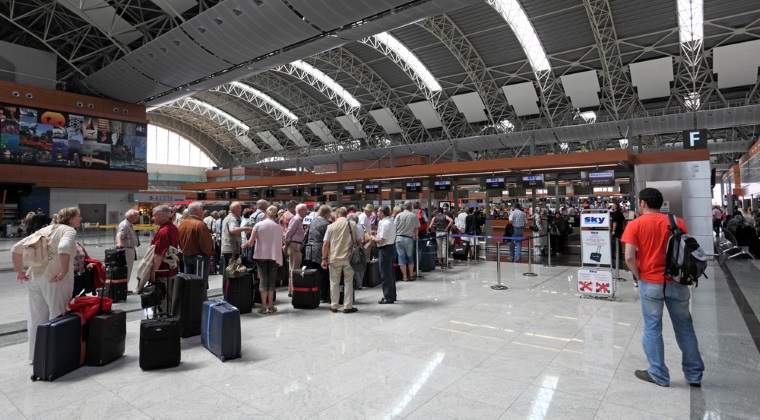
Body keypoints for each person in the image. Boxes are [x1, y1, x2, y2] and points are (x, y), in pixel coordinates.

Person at [621, 187, 704, 388]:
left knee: (652, 327)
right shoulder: (676, 222)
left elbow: (629, 256)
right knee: (685, 327)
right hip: (677, 282)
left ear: (642, 203)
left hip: (650, 282)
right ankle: (694, 374)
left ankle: (658, 373)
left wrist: (639, 275)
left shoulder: (635, 225)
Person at [12, 207, 81, 360]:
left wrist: (20, 271)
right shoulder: (68, 230)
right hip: (54, 280)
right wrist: (63, 271)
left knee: (36, 318)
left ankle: (36, 356)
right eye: (78, 216)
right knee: (57, 315)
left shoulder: (44, 230)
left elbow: (15, 248)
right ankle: (55, 357)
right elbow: (63, 248)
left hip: (34, 277)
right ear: (70, 219)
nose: (80, 219)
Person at [242, 206, 283, 314]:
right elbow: (281, 243)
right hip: (274, 256)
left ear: (266, 213)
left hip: (260, 256)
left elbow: (250, 242)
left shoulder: (258, 225)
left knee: (263, 280)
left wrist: (243, 245)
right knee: (272, 280)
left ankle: (264, 307)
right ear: (275, 215)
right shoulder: (278, 227)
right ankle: (271, 306)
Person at [322, 207, 361, 313]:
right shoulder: (352, 224)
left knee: (334, 282)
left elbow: (326, 243)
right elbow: (359, 240)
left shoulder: (330, 226)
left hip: (334, 258)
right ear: (345, 214)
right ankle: (347, 306)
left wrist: (324, 259)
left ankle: (334, 305)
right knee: (348, 282)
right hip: (349, 258)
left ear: (337, 215)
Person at [150, 205, 180, 314]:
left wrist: (153, 272)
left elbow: (159, 255)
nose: (153, 218)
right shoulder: (173, 228)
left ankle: (164, 321)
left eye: (155, 215)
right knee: (171, 297)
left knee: (163, 298)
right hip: (172, 270)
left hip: (163, 271)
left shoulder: (163, 232)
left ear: (162, 215)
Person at [177, 201, 214, 288]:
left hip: (186, 256)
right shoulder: (200, 225)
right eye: (202, 210)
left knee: (189, 282)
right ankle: (200, 300)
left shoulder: (182, 224)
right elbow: (206, 245)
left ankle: (190, 300)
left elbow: (179, 241)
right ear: (197, 211)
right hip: (200, 258)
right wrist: (209, 253)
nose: (203, 212)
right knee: (200, 284)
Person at [304, 205, 332, 302]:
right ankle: (322, 296)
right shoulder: (327, 224)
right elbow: (328, 240)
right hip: (320, 250)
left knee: (312, 274)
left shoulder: (312, 221)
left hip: (309, 250)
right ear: (327, 213)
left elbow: (306, 236)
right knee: (323, 273)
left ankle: (312, 293)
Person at [372, 206, 396, 304]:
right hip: (390, 248)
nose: (377, 213)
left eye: (378, 211)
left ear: (382, 212)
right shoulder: (390, 222)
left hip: (385, 250)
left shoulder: (385, 223)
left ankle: (388, 297)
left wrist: (372, 238)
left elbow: (381, 241)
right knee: (390, 274)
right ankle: (392, 295)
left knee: (385, 274)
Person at [221, 202, 252, 272]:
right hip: (232, 249)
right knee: (232, 272)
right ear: (235, 209)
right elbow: (232, 230)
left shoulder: (230, 217)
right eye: (240, 208)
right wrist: (246, 228)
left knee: (229, 271)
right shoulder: (232, 218)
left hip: (230, 249)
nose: (241, 210)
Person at [284, 203, 307, 295]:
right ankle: (294, 290)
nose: (306, 211)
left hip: (294, 245)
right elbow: (289, 232)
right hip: (294, 245)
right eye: (305, 210)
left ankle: (292, 290)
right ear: (300, 210)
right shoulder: (296, 219)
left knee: (293, 268)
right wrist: (286, 243)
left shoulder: (298, 219)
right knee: (294, 268)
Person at [115, 209, 140, 293]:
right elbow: (119, 235)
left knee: (128, 270)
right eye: (137, 216)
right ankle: (123, 289)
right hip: (127, 250)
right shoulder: (124, 225)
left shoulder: (129, 224)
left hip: (130, 249)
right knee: (127, 270)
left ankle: (124, 288)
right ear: (131, 217)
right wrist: (119, 244)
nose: (138, 218)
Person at [394, 202, 420, 281]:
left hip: (398, 238)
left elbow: (394, 226)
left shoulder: (398, 215)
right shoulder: (413, 215)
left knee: (401, 258)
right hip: (409, 239)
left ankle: (404, 276)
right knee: (410, 257)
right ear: (411, 207)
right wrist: (416, 236)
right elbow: (416, 228)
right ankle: (411, 275)